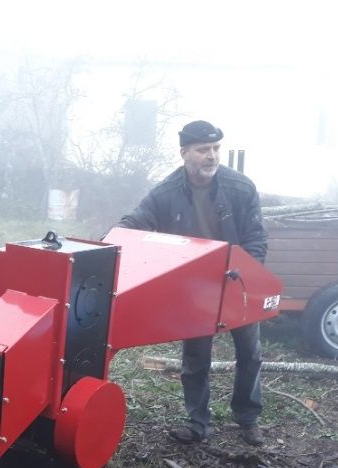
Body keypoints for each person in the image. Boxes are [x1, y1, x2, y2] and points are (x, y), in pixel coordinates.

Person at [115, 119, 268, 446]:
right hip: (196, 287)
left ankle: (248, 418)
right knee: (196, 356)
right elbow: (136, 222)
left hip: (237, 280)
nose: (211, 156)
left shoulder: (241, 188)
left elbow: (256, 238)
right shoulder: (165, 193)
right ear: (184, 152)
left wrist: (247, 276)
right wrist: (110, 240)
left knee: (250, 352)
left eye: (215, 149)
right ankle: (198, 423)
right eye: (202, 150)